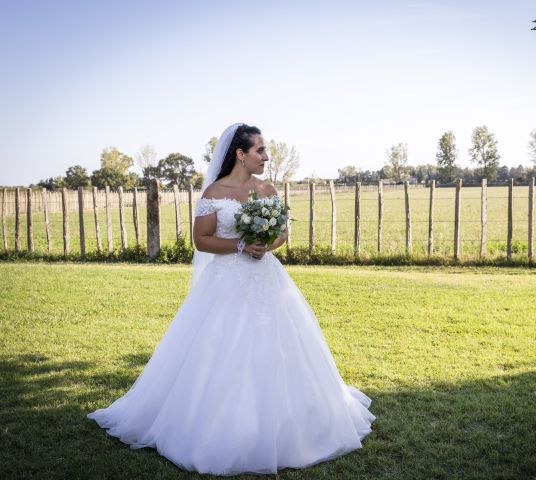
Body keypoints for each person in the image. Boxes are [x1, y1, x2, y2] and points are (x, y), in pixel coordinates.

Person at [86, 122, 376, 476]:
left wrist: (264, 245)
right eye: (260, 151)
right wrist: (240, 244)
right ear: (240, 153)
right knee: (219, 349)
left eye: (265, 151)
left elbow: (282, 233)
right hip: (225, 283)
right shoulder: (215, 191)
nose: (266, 157)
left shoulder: (266, 190)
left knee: (281, 348)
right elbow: (201, 239)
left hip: (266, 279)